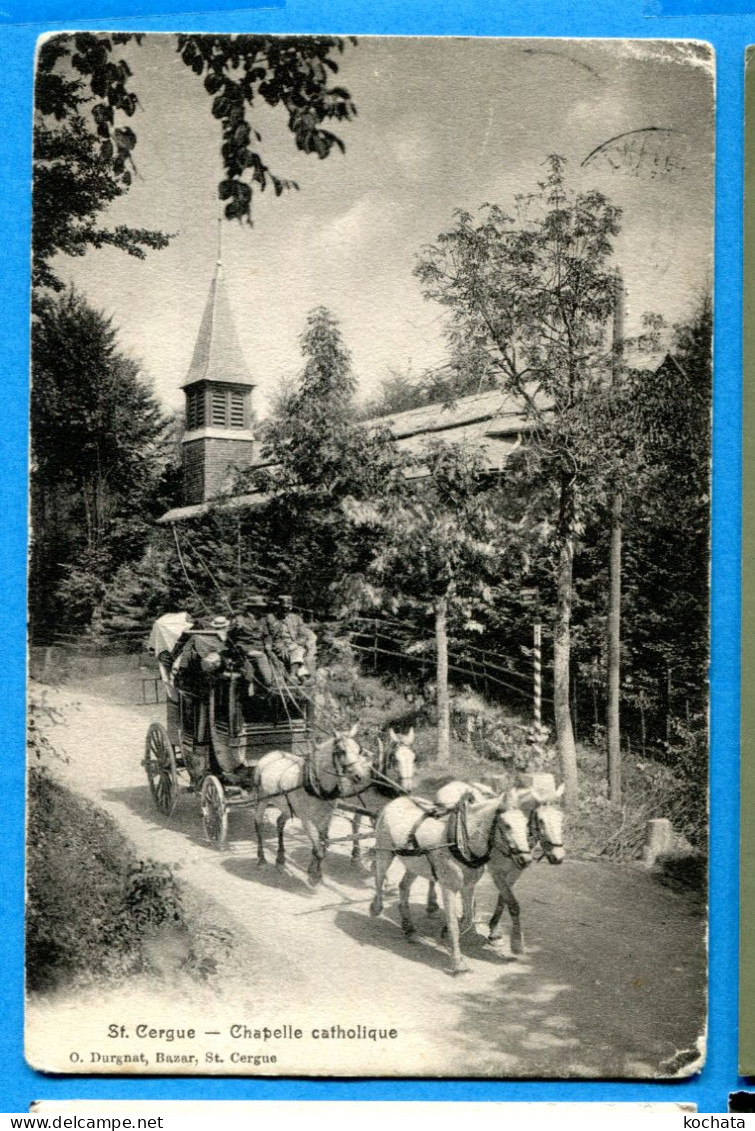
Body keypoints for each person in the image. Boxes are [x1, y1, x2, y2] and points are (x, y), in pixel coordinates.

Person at [228, 595, 275, 693]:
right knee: (265, 676)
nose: (262, 610)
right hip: (244, 650)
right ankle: (265, 684)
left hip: (260, 649)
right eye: (260, 608)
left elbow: (267, 635)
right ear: (253, 608)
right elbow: (230, 637)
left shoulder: (261, 620)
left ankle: (264, 691)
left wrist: (268, 644)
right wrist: (235, 628)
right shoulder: (240, 619)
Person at [272, 595, 317, 681]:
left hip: (295, 645)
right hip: (280, 647)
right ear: (278, 607)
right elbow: (270, 637)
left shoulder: (296, 618)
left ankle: (300, 676)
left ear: (291, 607)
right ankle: (294, 676)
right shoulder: (272, 619)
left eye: (287, 608)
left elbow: (304, 635)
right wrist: (284, 647)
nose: (285, 610)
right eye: (282, 608)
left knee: (300, 651)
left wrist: (297, 644)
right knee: (297, 651)